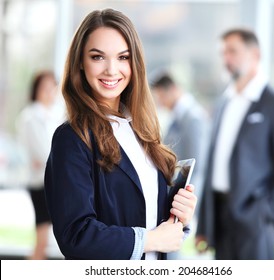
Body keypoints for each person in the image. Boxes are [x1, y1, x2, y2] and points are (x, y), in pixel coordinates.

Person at [44, 9, 197, 260]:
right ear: (80, 62)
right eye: (97, 57)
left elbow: (147, 216)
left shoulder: (141, 131)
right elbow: (76, 235)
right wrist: (149, 240)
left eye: (123, 57)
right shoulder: (71, 139)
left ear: (134, 63)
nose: (111, 70)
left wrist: (179, 216)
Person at [195, 28, 274, 260]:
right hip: (220, 221)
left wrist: (264, 212)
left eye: (233, 51)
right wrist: (204, 225)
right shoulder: (224, 103)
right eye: (223, 53)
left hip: (254, 224)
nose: (226, 59)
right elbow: (213, 165)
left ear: (255, 54)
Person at [151, 72, 208, 259]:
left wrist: (186, 202)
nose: (160, 102)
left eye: (161, 96)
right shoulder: (178, 117)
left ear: (173, 90)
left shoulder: (193, 118)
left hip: (183, 196)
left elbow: (196, 164)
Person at [16, 70, 61, 259]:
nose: (50, 91)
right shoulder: (32, 115)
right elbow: (44, 152)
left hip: (47, 179)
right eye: (45, 87)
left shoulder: (51, 115)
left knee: (44, 239)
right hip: (40, 182)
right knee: (42, 240)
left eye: (53, 87)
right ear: (36, 90)